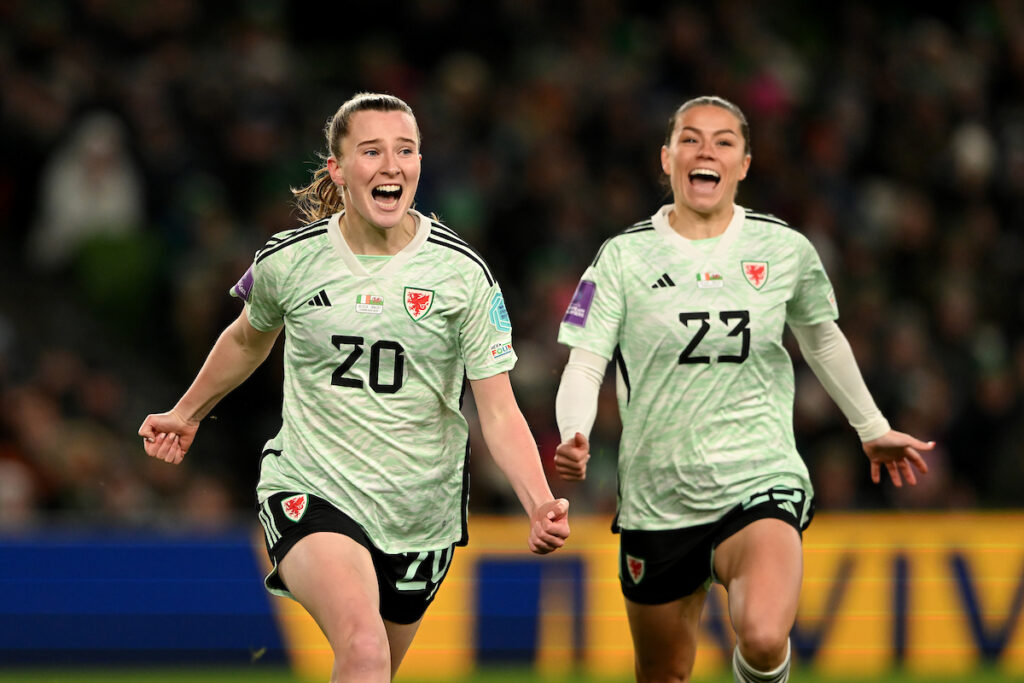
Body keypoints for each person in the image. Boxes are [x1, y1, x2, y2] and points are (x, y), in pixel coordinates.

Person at [139, 92, 570, 682]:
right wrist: (187, 412)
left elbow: (496, 409)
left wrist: (538, 499)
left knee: (373, 669)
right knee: (364, 650)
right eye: (372, 151)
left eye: (406, 151)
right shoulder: (288, 262)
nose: (392, 165)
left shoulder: (462, 275)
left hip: (420, 513)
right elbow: (246, 338)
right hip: (312, 487)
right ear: (338, 170)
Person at [553, 95, 933, 683]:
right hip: (659, 499)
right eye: (691, 138)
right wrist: (574, 431)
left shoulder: (783, 249)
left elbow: (822, 340)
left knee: (761, 634)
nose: (706, 150)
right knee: (664, 674)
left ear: (745, 163)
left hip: (759, 477)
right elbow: (584, 363)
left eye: (724, 141)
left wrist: (872, 427)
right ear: (667, 157)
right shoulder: (622, 258)